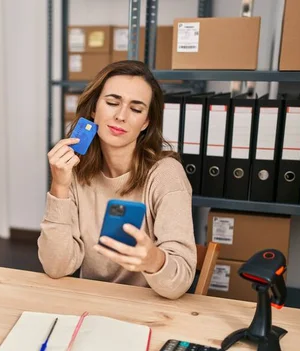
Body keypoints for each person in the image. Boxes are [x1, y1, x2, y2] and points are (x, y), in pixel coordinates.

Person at [37, 60, 196, 300]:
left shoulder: (166, 175)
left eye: (136, 109)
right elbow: (56, 267)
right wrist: (59, 187)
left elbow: (179, 282)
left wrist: (153, 260)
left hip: (149, 308)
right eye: (112, 103)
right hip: (90, 306)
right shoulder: (76, 171)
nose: (121, 116)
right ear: (93, 110)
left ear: (146, 123)